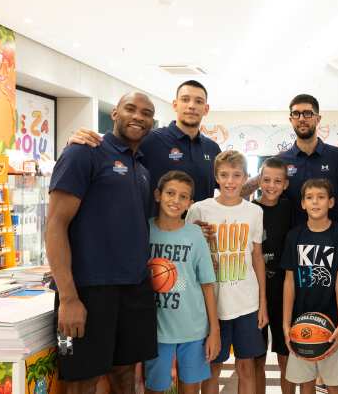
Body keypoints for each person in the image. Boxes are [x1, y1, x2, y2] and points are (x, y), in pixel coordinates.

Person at [242, 94, 338, 394]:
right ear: (290, 119)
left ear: (318, 118)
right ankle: (314, 377)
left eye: (308, 113)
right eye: (296, 113)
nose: (302, 118)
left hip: (334, 255)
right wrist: (241, 185)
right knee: (301, 327)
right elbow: (250, 188)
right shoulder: (283, 160)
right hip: (296, 259)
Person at [45, 92, 158, 393]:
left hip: (135, 286)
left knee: (126, 375)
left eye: (146, 113)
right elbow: (55, 225)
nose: (138, 116)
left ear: (152, 122)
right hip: (88, 290)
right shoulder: (83, 152)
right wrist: (68, 298)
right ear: (115, 114)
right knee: (82, 380)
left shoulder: (141, 169)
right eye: (130, 109)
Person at [68, 80, 221, 217]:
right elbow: (111, 151)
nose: (192, 105)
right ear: (175, 105)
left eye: (198, 101)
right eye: (185, 99)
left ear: (206, 109)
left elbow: (229, 187)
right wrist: (76, 143)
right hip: (156, 236)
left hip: (200, 235)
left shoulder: (212, 148)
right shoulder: (151, 139)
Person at [185, 150, 268, 394]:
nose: (230, 181)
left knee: (247, 367)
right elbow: (186, 253)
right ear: (216, 177)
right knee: (212, 367)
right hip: (212, 304)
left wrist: (262, 302)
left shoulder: (254, 212)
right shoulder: (199, 210)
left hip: (246, 303)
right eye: (224, 175)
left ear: (246, 178)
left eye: (236, 175)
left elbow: (257, 257)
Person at [144, 171, 220, 394]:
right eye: (170, 193)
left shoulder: (195, 234)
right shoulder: (144, 231)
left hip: (193, 330)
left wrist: (214, 331)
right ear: (157, 195)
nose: (176, 200)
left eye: (183, 196)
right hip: (155, 331)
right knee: (154, 388)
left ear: (190, 203)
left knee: (190, 389)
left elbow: (207, 284)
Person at [281, 178, 338, 394]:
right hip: (300, 322)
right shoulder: (293, 236)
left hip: (330, 322)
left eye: (321, 197)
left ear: (331, 202)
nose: (315, 202)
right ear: (302, 203)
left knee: (334, 383)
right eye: (310, 197)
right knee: (306, 383)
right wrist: (286, 324)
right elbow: (289, 282)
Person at [251, 157, 295, 394]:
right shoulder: (249, 210)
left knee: (286, 357)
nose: (271, 185)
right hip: (254, 298)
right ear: (259, 181)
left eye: (278, 181)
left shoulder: (290, 208)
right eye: (266, 180)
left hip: (284, 295)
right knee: (256, 360)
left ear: (286, 184)